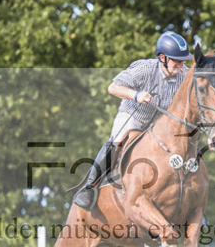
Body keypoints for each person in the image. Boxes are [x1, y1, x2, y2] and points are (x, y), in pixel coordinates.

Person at [73, 31, 192, 210]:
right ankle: (89, 187)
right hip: (133, 117)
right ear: (162, 58)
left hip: (158, 125)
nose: (180, 64)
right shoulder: (145, 69)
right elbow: (112, 87)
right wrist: (135, 95)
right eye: (176, 60)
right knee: (117, 140)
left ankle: (189, 199)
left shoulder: (183, 74)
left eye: (183, 61)